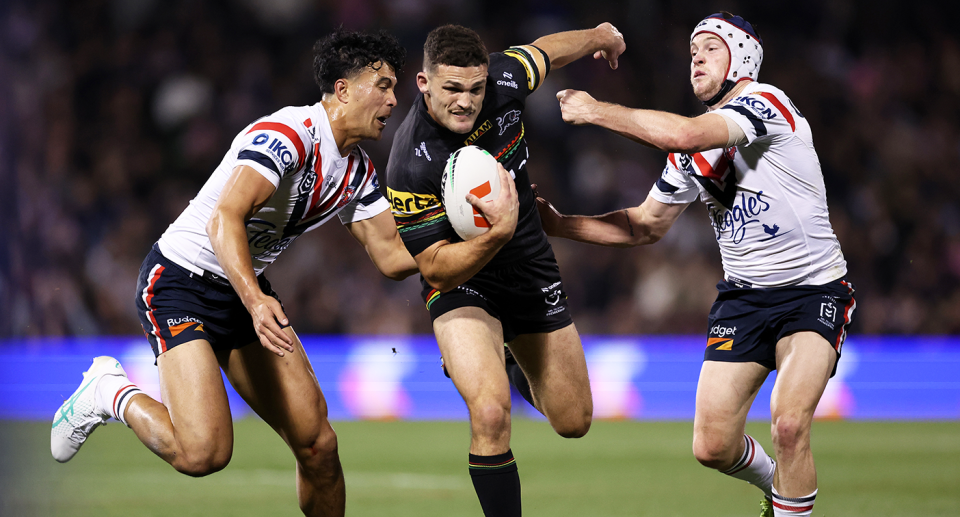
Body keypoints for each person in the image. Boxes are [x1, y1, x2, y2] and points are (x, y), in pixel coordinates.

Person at [51, 29, 417, 517]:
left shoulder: (356, 172)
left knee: (318, 447)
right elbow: (225, 218)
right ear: (344, 89)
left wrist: (478, 238)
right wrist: (253, 298)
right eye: (384, 85)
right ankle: (110, 392)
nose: (395, 99)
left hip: (242, 289)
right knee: (203, 454)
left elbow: (392, 256)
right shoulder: (288, 134)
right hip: (181, 281)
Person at [542, 12, 856, 517]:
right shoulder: (691, 151)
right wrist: (559, 225)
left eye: (710, 48)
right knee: (712, 446)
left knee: (789, 425)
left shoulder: (766, 102)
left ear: (743, 57)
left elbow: (685, 134)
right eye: (692, 52)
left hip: (812, 291)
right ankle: (782, 491)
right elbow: (645, 225)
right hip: (743, 298)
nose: (696, 58)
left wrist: (597, 110)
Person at [384, 23, 625, 517]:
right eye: (451, 89)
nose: (465, 101)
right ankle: (480, 357)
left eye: (474, 88)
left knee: (573, 420)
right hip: (461, 279)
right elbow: (433, 265)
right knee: (491, 412)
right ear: (424, 84)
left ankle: (508, 359)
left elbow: (546, 52)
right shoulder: (409, 163)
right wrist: (495, 234)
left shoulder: (505, 79)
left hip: (529, 266)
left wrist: (599, 35)